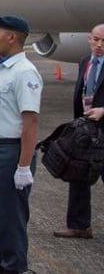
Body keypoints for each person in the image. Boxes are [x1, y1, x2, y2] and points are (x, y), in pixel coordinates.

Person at [0, 15, 42, 274]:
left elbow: (30, 123)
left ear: (12, 37)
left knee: (10, 219)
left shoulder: (24, 72)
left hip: (10, 151)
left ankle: (14, 268)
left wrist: (24, 166)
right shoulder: (1, 67)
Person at [53, 23, 104, 239]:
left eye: (103, 41)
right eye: (95, 39)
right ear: (89, 39)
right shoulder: (85, 62)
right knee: (78, 175)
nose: (99, 45)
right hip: (85, 129)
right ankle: (79, 226)